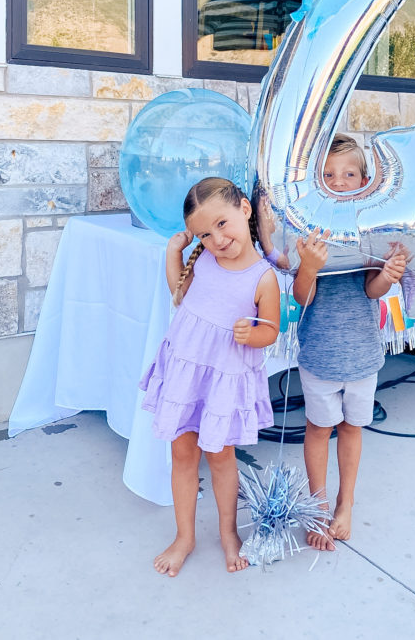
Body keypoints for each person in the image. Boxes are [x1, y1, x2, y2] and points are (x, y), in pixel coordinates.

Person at [139, 177, 280, 577]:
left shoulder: (262, 277)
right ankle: (184, 536)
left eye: (222, 223)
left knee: (220, 458)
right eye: (205, 232)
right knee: (183, 455)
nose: (217, 238)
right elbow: (181, 296)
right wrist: (173, 253)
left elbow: (271, 331)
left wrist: (251, 335)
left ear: (245, 210)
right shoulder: (202, 260)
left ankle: (228, 532)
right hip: (186, 376)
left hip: (223, 381)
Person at [292, 133, 407, 550]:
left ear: (363, 181)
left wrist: (388, 274)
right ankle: (318, 506)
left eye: (349, 173)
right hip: (320, 356)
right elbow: (302, 298)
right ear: (315, 183)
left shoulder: (368, 232)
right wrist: (308, 266)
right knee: (319, 429)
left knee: (352, 428)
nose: (339, 181)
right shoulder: (307, 232)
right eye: (328, 175)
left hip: (362, 356)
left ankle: (346, 504)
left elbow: (371, 291)